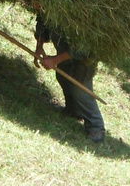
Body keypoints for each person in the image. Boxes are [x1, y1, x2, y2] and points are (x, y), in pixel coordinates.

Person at [34, 9, 105, 143]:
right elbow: (42, 25)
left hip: (85, 58)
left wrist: (54, 60)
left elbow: (82, 48)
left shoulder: (75, 14)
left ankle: (96, 127)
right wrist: (39, 47)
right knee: (62, 76)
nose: (34, 5)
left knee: (80, 88)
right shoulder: (47, 8)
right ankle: (74, 110)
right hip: (65, 53)